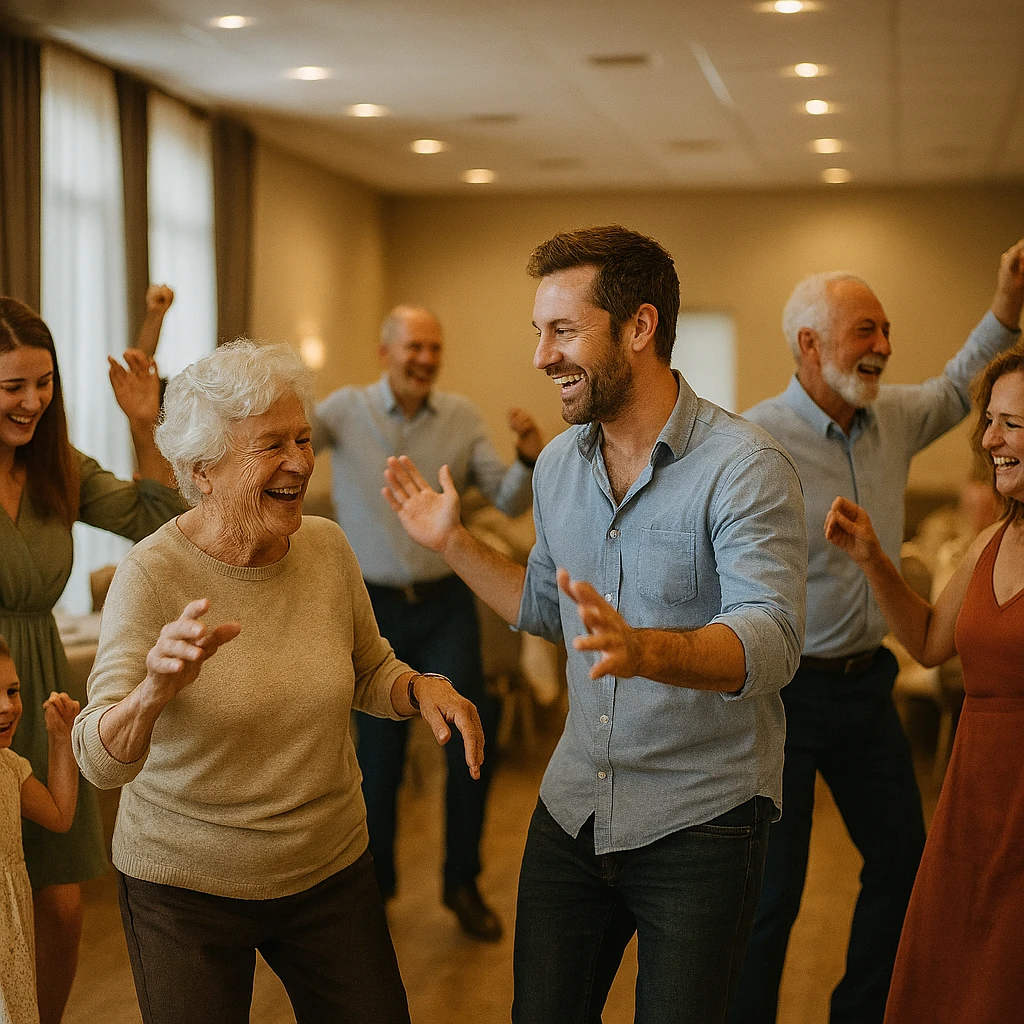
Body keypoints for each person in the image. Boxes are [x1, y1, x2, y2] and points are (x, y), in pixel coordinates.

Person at [381, 225, 808, 1023]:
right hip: (575, 805)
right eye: (539, 333)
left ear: (639, 328)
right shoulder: (556, 466)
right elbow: (546, 605)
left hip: (702, 822)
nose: (542, 356)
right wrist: (454, 544)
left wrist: (642, 648)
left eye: (563, 332)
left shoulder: (744, 467)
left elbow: (773, 640)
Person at [71, 340, 486, 1024]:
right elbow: (96, 758)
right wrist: (150, 695)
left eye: (302, 438)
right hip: (187, 888)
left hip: (328, 871)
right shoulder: (151, 573)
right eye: (272, 445)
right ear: (203, 470)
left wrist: (420, 688)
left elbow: (369, 668)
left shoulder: (326, 548)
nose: (300, 461)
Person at [732, 238, 1024, 1024]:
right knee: (772, 896)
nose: (884, 348)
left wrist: (1005, 302)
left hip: (868, 691)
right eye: (866, 331)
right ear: (810, 344)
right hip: (784, 701)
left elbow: (969, 381)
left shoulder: (894, 416)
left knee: (902, 867)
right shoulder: (751, 439)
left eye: (887, 331)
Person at [312, 305, 543, 940]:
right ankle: (375, 887)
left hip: (445, 606)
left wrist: (528, 457)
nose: (425, 359)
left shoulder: (463, 417)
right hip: (372, 610)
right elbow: (289, 448)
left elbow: (506, 498)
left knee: (469, 744)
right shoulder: (341, 411)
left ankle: (462, 884)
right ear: (384, 350)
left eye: (434, 349)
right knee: (377, 759)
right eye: (414, 347)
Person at [823, 343, 1024, 1023]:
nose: (990, 439)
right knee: (958, 973)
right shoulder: (990, 541)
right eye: (989, 421)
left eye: (1012, 424)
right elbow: (930, 644)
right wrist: (874, 559)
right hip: (973, 795)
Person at [0, 296, 185, 1024]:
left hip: (39, 688)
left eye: (43, 382)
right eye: (13, 385)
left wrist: (145, 421)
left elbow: (157, 514)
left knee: (63, 903)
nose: (33, 401)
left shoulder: (58, 467)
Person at [0, 637, 79, 1024]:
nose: (6, 707)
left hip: (9, 931)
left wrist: (61, 740)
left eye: (12, 691)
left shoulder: (10, 767)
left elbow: (60, 815)